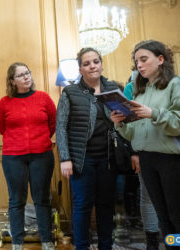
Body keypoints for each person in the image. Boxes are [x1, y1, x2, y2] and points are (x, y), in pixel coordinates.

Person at [111, 40, 180, 250]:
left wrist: (154, 113)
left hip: (170, 158)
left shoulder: (175, 84)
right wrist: (120, 124)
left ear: (160, 59)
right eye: (136, 61)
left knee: (178, 217)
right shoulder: (139, 90)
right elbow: (134, 132)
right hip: (147, 159)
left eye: (144, 59)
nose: (139, 65)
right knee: (162, 217)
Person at [56, 47, 121, 250]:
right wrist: (65, 158)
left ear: (101, 64)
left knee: (106, 206)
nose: (92, 66)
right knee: (82, 206)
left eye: (95, 61)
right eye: (86, 63)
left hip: (109, 159)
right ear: (80, 68)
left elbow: (127, 122)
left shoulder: (113, 88)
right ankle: (82, 247)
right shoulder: (70, 92)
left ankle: (106, 246)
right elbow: (61, 126)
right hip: (81, 160)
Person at [0, 62, 57, 250]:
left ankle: (46, 241)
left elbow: (52, 123)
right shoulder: (4, 103)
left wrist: (41, 140)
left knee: (42, 199)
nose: (26, 77)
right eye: (21, 75)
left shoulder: (43, 98)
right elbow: (1, 127)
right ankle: (17, 243)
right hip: (14, 156)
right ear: (12, 81)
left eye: (27, 73)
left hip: (42, 155)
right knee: (16, 201)